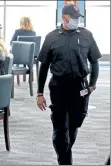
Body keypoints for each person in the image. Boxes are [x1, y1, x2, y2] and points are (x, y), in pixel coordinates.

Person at [36, 4, 101, 165]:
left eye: (79, 18)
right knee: (60, 129)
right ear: (65, 18)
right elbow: (43, 66)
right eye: (75, 18)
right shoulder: (51, 37)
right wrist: (39, 93)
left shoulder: (86, 35)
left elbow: (94, 61)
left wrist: (92, 84)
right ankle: (65, 161)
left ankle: (64, 153)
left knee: (74, 126)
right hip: (59, 87)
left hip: (81, 88)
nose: (77, 21)